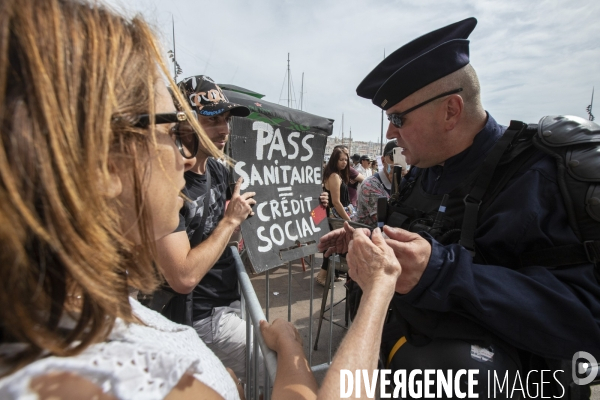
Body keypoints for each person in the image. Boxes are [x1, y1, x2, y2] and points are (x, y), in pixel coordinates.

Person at [0, 1, 318, 399]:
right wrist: (298, 344)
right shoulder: (108, 380)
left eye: (225, 119)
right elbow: (182, 276)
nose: (185, 157)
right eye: (172, 132)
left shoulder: (85, 315)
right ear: (103, 163)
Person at [319, 17, 600, 398]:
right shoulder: (422, 174)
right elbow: (421, 243)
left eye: (398, 118)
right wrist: (368, 238)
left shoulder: (539, 176)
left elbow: (586, 318)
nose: (389, 134)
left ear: (451, 110)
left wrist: (441, 272)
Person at [315, 146, 354, 286]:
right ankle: (322, 276)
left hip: (334, 216)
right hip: (335, 217)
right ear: (334, 160)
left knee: (334, 245)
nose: (344, 162)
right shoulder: (334, 176)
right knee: (332, 245)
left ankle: (334, 273)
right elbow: (336, 202)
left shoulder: (335, 174)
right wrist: (348, 220)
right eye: (341, 159)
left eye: (346, 159)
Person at [355, 140, 399, 227]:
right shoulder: (370, 184)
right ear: (383, 160)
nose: (397, 162)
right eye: (393, 157)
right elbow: (386, 220)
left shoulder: (409, 182)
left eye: (403, 158)